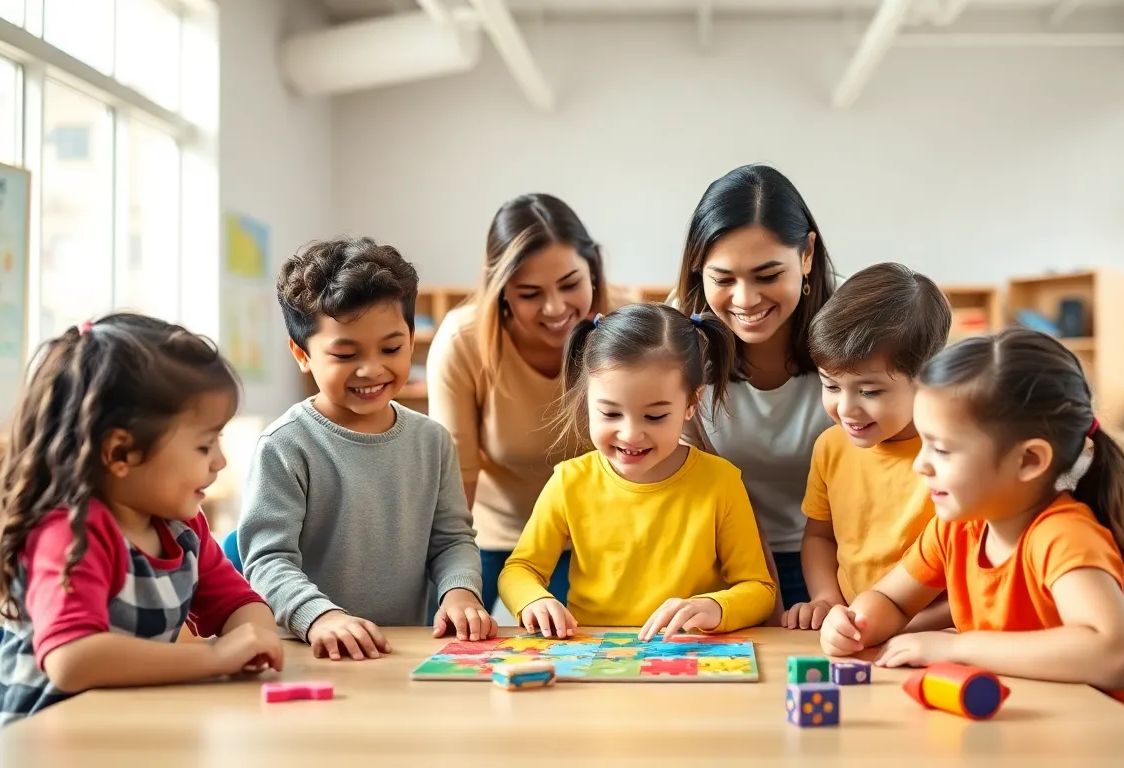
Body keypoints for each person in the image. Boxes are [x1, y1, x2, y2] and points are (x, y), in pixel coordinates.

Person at [819, 328, 1124, 723]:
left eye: (942, 449)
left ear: (1028, 461)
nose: (921, 464)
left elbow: (1117, 656)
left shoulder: (1063, 537)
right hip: (1024, 731)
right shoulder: (956, 528)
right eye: (923, 442)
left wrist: (956, 647)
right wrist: (856, 623)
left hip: (1107, 743)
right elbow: (893, 600)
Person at [0, 314, 282, 728]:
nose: (219, 462)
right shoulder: (71, 534)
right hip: (50, 747)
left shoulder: (183, 528)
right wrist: (214, 656)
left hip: (131, 732)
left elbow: (238, 604)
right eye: (204, 445)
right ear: (121, 453)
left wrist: (255, 636)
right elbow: (72, 658)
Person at [239, 237, 493, 663]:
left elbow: (451, 540)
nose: (372, 369)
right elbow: (268, 561)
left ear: (412, 340)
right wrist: (320, 617)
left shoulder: (432, 442)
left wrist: (460, 591)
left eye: (391, 348)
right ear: (302, 354)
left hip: (404, 651)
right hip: (316, 651)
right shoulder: (284, 446)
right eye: (345, 353)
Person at [497, 303, 776, 640]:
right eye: (610, 414)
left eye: (655, 417)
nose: (630, 434)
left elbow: (759, 589)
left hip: (686, 652)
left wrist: (714, 607)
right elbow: (519, 569)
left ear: (692, 403)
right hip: (591, 653)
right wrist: (533, 599)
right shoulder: (570, 481)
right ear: (587, 400)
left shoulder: (721, 482)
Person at [426, 194, 611, 614]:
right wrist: (454, 584)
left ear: (593, 270)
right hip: (491, 536)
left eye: (570, 284)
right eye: (530, 293)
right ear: (501, 289)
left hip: (593, 538)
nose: (555, 308)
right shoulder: (464, 342)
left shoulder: (622, 332)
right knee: (439, 619)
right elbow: (456, 485)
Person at [672, 164, 838, 612]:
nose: (745, 300)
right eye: (723, 279)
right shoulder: (676, 346)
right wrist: (763, 596)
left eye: (767, 276)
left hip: (841, 569)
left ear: (806, 255)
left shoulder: (851, 334)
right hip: (725, 572)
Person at [783, 263, 952, 631]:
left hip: (931, 633)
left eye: (870, 391)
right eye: (831, 386)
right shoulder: (831, 446)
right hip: (855, 630)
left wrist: (897, 626)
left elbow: (969, 580)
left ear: (928, 378)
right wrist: (826, 599)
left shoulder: (953, 460)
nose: (845, 409)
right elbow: (819, 537)